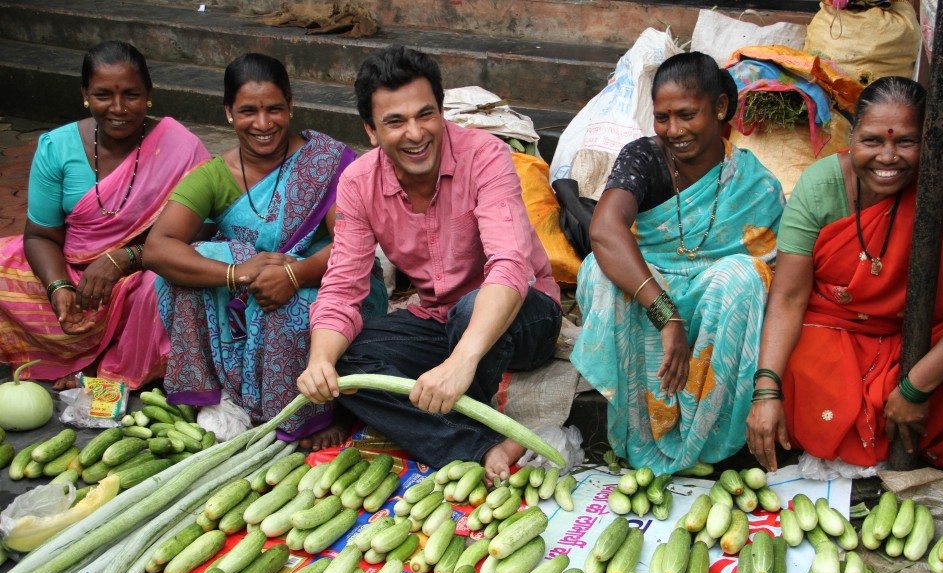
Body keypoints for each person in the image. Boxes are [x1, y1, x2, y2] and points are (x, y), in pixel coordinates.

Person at [297, 46, 562, 481]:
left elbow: (510, 265)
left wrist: (462, 361)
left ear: (442, 112)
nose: (415, 133)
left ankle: (460, 430)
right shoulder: (359, 183)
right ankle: (481, 445)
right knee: (344, 361)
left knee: (471, 309)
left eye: (426, 115)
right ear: (371, 130)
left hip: (524, 314)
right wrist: (321, 361)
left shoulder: (486, 156)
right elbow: (343, 288)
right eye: (395, 122)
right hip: (439, 319)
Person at [745, 76, 943, 483]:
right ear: (852, 136)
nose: (888, 157)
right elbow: (788, 297)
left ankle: (926, 437)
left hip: (920, 337)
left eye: (906, 142)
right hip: (836, 330)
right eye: (873, 141)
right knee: (790, 363)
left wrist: (916, 387)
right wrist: (766, 391)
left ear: (928, 143)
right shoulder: (819, 187)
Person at [145, 53, 386, 448]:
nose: (263, 123)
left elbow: (352, 246)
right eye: (248, 111)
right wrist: (237, 273)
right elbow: (158, 247)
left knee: (288, 308)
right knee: (189, 269)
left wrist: (292, 275)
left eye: (274, 109)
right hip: (252, 292)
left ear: (291, 106)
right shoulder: (214, 174)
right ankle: (222, 394)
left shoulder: (325, 162)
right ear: (228, 112)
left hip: (330, 283)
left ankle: (314, 413)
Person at [570, 52, 785, 474]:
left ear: (720, 108)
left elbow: (775, 268)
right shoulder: (644, 157)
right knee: (599, 269)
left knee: (743, 277)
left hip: (713, 302)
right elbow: (605, 229)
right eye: (662, 117)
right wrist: (667, 315)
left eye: (686, 115)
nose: (673, 130)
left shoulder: (754, 182)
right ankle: (634, 434)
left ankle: (706, 442)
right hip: (651, 293)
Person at [0, 41, 209, 389]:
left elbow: (202, 231)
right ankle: (74, 342)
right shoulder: (58, 147)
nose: (118, 108)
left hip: (144, 271)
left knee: (165, 291)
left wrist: (124, 259)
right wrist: (58, 287)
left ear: (149, 94)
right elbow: (40, 235)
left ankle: (108, 363)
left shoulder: (181, 146)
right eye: (103, 95)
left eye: (131, 94)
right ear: (85, 93)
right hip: (74, 274)